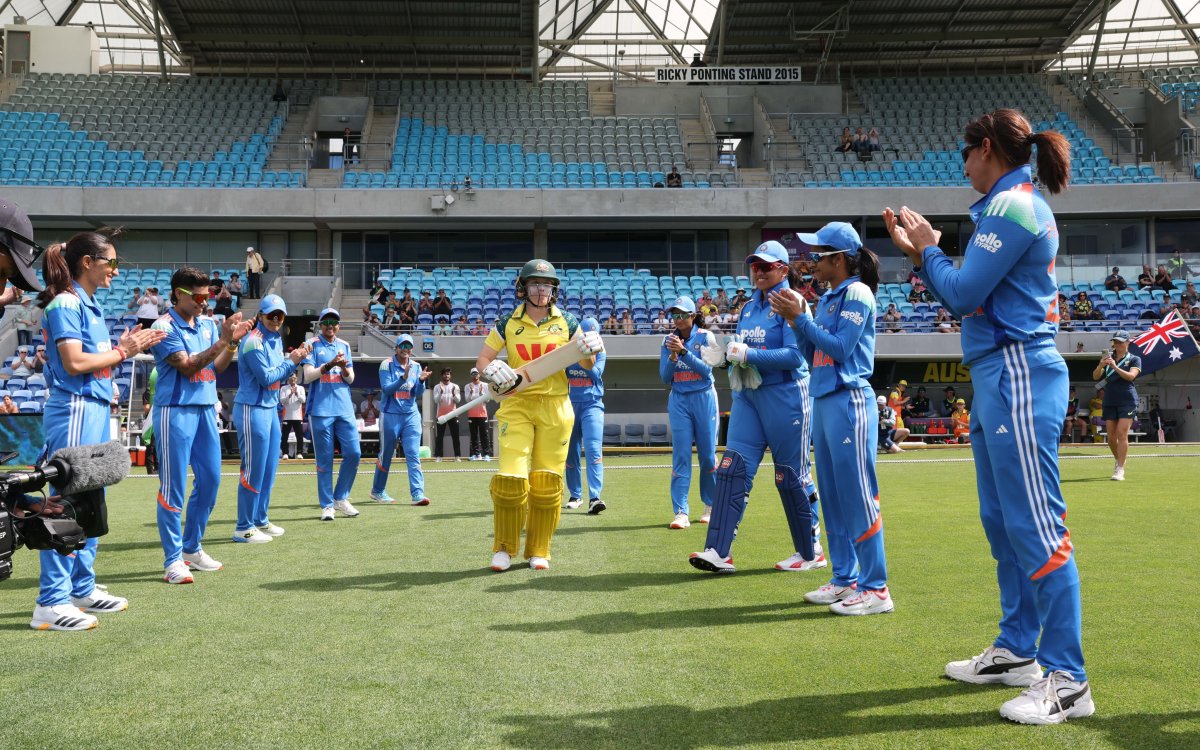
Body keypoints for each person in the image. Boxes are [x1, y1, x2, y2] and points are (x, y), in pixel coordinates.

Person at [884, 108, 1093, 723]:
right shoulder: (1004, 207)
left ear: (985, 149)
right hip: (998, 375)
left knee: (1036, 527)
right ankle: (1017, 651)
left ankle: (1069, 679)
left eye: (965, 153)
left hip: (1020, 372)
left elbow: (962, 293)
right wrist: (927, 254)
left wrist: (927, 251)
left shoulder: (1013, 207)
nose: (963, 164)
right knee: (1002, 522)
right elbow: (967, 289)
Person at [31, 227, 165, 630]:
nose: (116, 272)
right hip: (73, 408)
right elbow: (73, 364)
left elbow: (95, 363)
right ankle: (51, 601)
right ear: (87, 263)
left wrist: (118, 351)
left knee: (92, 500)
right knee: (67, 500)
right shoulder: (66, 304)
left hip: (91, 407)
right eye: (112, 263)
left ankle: (81, 588)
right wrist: (125, 350)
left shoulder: (85, 305)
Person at [768, 225, 890, 612]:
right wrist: (796, 320)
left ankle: (876, 588)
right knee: (835, 498)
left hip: (849, 399)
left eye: (819, 255)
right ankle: (844, 578)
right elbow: (810, 352)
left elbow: (841, 348)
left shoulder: (857, 292)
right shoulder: (829, 297)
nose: (811, 261)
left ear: (839, 259)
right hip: (825, 399)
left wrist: (802, 320)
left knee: (857, 495)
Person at [689, 239, 824, 577]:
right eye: (755, 266)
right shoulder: (749, 307)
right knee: (731, 468)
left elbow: (796, 357)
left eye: (766, 266)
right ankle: (717, 552)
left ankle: (811, 551)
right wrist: (724, 357)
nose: (759, 272)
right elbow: (743, 351)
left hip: (787, 396)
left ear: (783, 269)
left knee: (791, 476)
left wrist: (747, 355)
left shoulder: (793, 303)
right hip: (749, 395)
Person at [475, 259, 603, 572]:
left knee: (546, 484)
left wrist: (591, 349)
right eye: (535, 284)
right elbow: (482, 361)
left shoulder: (568, 322)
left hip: (557, 407)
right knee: (511, 480)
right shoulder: (507, 322)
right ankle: (504, 548)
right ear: (524, 288)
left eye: (546, 285)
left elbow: (587, 365)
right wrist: (488, 371)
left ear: (553, 289)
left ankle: (538, 549)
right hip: (516, 405)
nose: (541, 290)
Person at [150, 267, 253, 584]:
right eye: (196, 296)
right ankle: (173, 560)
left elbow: (218, 366)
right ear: (177, 294)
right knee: (173, 488)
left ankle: (192, 547)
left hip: (207, 409)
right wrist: (222, 340)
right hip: (174, 412)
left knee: (210, 481)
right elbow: (188, 367)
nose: (203, 302)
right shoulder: (163, 327)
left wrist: (231, 344)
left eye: (206, 295)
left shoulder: (208, 324)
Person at [232, 295, 310, 544]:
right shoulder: (253, 341)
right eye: (270, 315)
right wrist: (293, 360)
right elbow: (267, 378)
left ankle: (260, 519)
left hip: (270, 408)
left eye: (280, 316)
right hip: (251, 408)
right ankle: (244, 526)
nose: (275, 320)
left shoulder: (275, 340)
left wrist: (293, 358)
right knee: (253, 469)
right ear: (261, 315)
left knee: (268, 469)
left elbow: (278, 374)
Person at [659, 296, 718, 528]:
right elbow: (665, 377)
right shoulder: (667, 340)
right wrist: (673, 357)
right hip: (679, 399)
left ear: (693, 316)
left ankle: (711, 505)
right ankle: (681, 512)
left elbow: (707, 371)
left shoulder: (706, 336)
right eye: (675, 315)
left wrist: (683, 353)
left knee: (707, 456)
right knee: (681, 455)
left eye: (683, 314)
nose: (679, 319)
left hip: (704, 396)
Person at [302, 308, 362, 521]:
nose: (330, 326)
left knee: (354, 453)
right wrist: (329, 365)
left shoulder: (344, 346)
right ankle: (327, 505)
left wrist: (344, 368)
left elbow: (351, 378)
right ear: (320, 324)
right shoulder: (311, 345)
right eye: (326, 322)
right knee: (325, 460)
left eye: (334, 322)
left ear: (339, 326)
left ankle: (341, 497)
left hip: (344, 408)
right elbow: (308, 376)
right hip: (320, 410)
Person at [370, 333, 432, 505]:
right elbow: (387, 390)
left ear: (411, 349)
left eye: (408, 346)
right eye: (402, 346)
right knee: (387, 454)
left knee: (413, 454)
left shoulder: (417, 366)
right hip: (390, 415)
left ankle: (418, 494)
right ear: (396, 348)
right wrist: (403, 378)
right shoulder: (386, 365)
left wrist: (420, 381)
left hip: (411, 415)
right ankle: (377, 490)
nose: (405, 349)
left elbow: (416, 393)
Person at [565, 317, 607, 513]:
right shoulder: (568, 352)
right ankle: (575, 494)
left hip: (592, 404)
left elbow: (596, 373)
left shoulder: (601, 352)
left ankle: (595, 498)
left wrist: (585, 356)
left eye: (592, 336)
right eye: (584, 336)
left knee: (592, 449)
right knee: (570, 451)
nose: (588, 340)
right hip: (570, 405)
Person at [1092, 330, 1141, 481]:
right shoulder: (1108, 358)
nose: (1117, 345)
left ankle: (1120, 469)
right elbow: (1095, 377)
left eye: (1120, 342)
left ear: (1128, 343)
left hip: (1127, 400)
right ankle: (1119, 460)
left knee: (1121, 434)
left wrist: (1115, 367)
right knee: (1111, 438)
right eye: (1115, 342)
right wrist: (1101, 365)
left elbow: (1131, 376)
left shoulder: (1134, 359)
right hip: (1110, 399)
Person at [464, 367, 493, 461]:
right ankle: (476, 454)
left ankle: (487, 454)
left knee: (484, 434)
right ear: (470, 375)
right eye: (473, 374)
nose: (475, 375)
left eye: (476, 373)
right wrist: (472, 393)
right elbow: (467, 400)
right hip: (472, 414)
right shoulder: (467, 386)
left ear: (479, 375)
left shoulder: (485, 385)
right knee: (473, 435)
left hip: (482, 414)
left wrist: (481, 394)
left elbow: (488, 400)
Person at [433, 367, 462, 461]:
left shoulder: (455, 386)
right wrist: (441, 392)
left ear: (450, 376)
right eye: (445, 374)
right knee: (439, 437)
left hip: (453, 414)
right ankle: (439, 457)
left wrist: (453, 393)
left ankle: (457, 456)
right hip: (441, 415)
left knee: (455, 436)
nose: (447, 375)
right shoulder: (437, 387)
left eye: (448, 374)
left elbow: (458, 400)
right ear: (442, 375)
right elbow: (436, 400)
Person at [280, 373, 306, 458]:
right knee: (284, 436)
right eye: (291, 378)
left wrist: (297, 394)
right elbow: (282, 401)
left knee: (299, 436)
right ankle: (285, 453)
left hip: (297, 416)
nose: (293, 380)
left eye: (294, 378)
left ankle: (299, 453)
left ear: (296, 379)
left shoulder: (301, 388)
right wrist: (290, 394)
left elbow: (303, 400)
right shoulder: (284, 388)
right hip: (286, 416)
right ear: (288, 379)